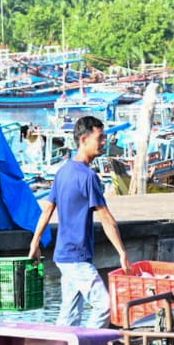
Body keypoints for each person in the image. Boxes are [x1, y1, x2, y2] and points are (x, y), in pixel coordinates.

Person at [28, 115, 130, 328]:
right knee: (105, 305)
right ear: (84, 140)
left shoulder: (62, 171)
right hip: (76, 256)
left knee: (69, 315)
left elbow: (47, 210)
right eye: (100, 138)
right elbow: (106, 218)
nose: (104, 143)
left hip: (64, 256)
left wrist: (35, 243)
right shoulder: (87, 176)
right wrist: (122, 252)